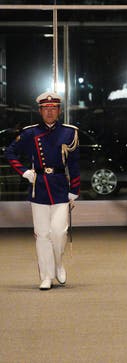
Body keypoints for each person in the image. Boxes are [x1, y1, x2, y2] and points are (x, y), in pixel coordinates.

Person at [5, 91, 80, 290]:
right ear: (40, 111)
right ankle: (46, 275)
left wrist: (74, 189)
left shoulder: (69, 132)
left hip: (60, 187)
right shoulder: (30, 133)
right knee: (42, 234)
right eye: (46, 108)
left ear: (59, 110)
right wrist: (24, 172)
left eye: (53, 108)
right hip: (39, 188)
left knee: (59, 233)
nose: (49, 112)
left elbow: (74, 163)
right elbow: (9, 152)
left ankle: (58, 264)